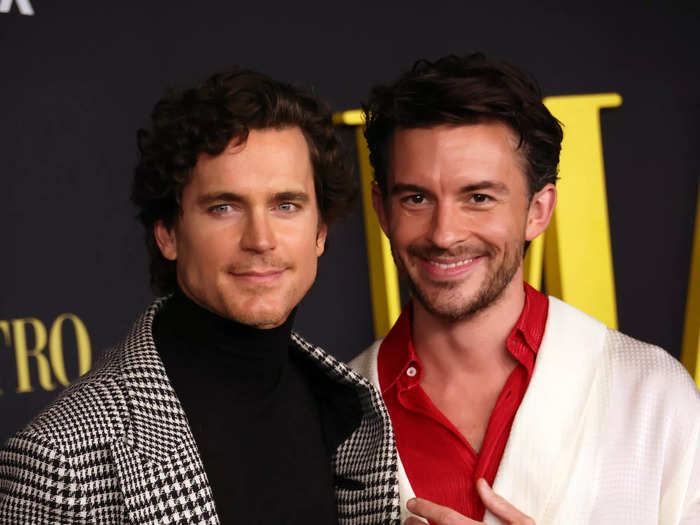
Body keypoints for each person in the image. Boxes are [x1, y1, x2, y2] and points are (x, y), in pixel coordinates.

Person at [0, 68, 400, 524]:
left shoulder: (356, 408)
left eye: (285, 205)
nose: (261, 239)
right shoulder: (61, 461)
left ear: (320, 232)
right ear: (168, 233)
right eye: (224, 207)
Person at [350, 54, 700, 524]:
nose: (444, 233)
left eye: (479, 198)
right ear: (382, 210)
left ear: (538, 210)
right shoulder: (335, 418)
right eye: (416, 198)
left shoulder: (652, 393)